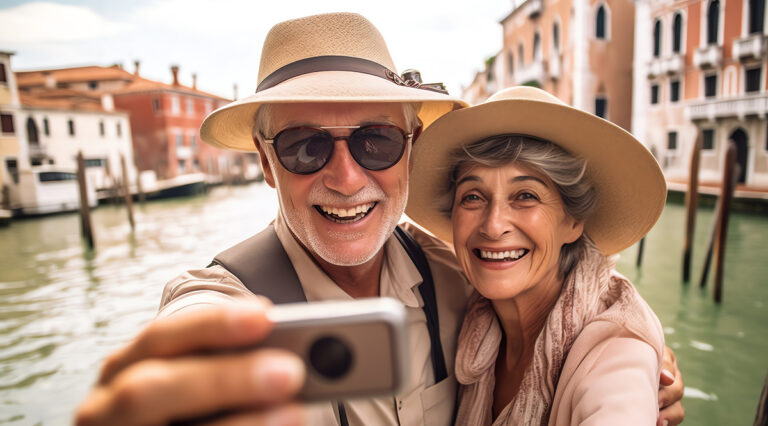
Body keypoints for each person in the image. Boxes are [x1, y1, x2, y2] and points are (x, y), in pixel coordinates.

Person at [75, 13, 684, 426]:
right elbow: (194, 323)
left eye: (375, 142)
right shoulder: (227, 298)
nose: (345, 177)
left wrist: (642, 358)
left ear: (411, 148)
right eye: (305, 148)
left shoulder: (460, 279)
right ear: (265, 162)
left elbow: (585, 322)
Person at [406, 86, 679, 425]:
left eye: (525, 195)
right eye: (473, 197)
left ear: (573, 221)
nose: (493, 226)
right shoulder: (467, 304)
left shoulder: (618, 352)